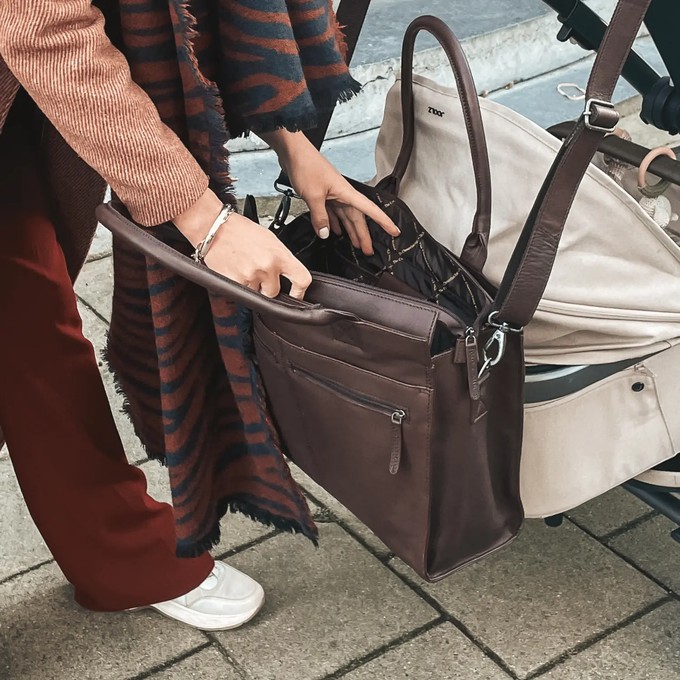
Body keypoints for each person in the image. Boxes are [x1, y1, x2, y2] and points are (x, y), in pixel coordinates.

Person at [0, 0, 398, 631]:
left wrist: (290, 141)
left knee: (29, 335)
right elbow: (47, 30)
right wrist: (204, 220)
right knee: (31, 328)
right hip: (39, 61)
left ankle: (121, 556)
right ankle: (124, 553)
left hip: (25, 96)